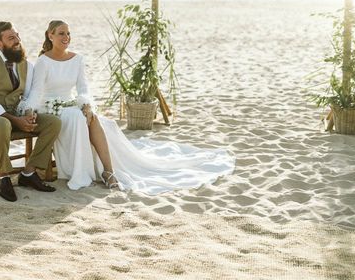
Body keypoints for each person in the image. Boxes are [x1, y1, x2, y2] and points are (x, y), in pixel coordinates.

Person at [21, 20, 235, 193]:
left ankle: (108, 171)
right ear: (50, 35)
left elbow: (83, 89)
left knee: (98, 119)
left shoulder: (77, 59)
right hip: (50, 107)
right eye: (61, 33)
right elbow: (37, 91)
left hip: (71, 104)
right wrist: (29, 110)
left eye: (68, 33)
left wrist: (86, 104)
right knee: (77, 119)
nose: (66, 37)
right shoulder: (43, 61)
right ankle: (83, 172)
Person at [0, 21, 61, 202]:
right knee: (2, 122)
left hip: (17, 115)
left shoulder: (27, 65)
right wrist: (16, 120)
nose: (17, 41)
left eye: (17, 36)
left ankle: (29, 173)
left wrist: (29, 114)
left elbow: (29, 96)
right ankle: (3, 176)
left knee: (53, 122)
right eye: (11, 38)